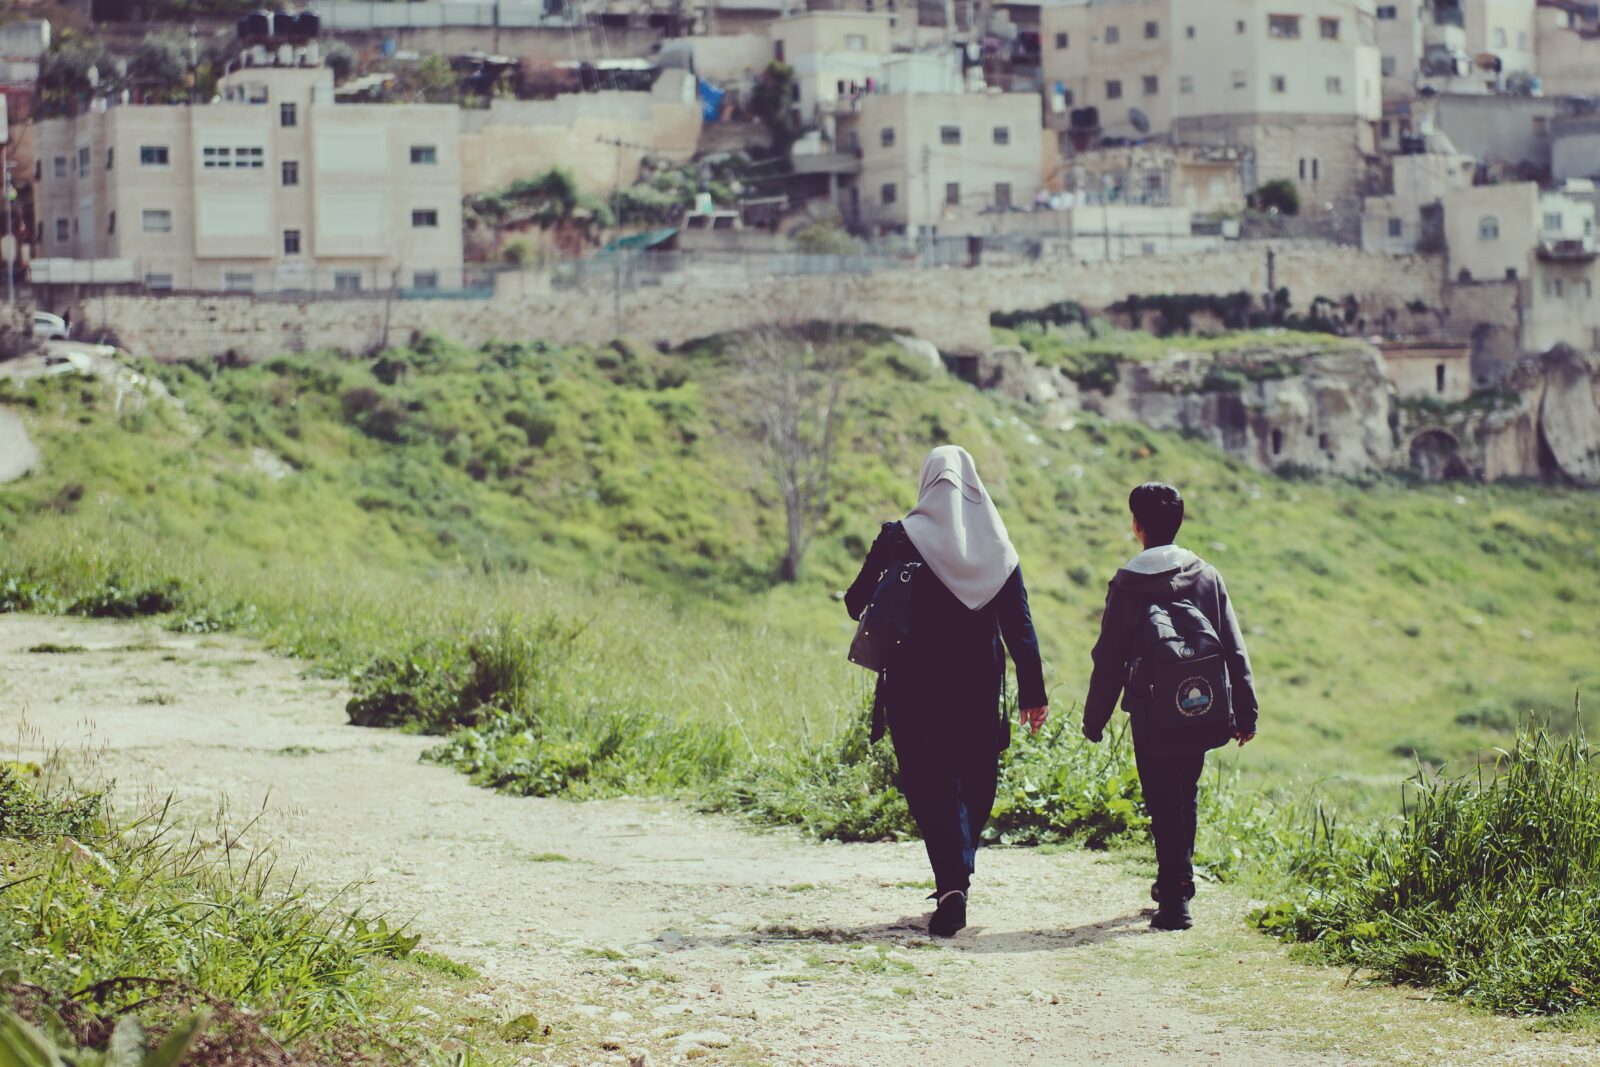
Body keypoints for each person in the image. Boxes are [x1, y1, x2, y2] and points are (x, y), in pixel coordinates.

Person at [845, 445, 1048, 938]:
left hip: (913, 686)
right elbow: (1019, 626)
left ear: (926, 482)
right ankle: (959, 875)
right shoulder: (998, 549)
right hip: (977, 686)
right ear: (974, 489)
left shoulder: (898, 537)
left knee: (928, 781)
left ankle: (951, 884)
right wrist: (1033, 692)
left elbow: (854, 601)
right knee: (976, 778)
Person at [1081, 483, 1259, 931]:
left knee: (1161, 798)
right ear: (1179, 523)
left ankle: (1175, 897)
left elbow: (1108, 657)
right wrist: (1245, 712)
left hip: (1150, 712)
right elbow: (1233, 646)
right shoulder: (1206, 575)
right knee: (1186, 791)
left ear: (1136, 526)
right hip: (1200, 704)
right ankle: (1178, 883)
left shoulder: (1127, 584)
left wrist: (1095, 718)